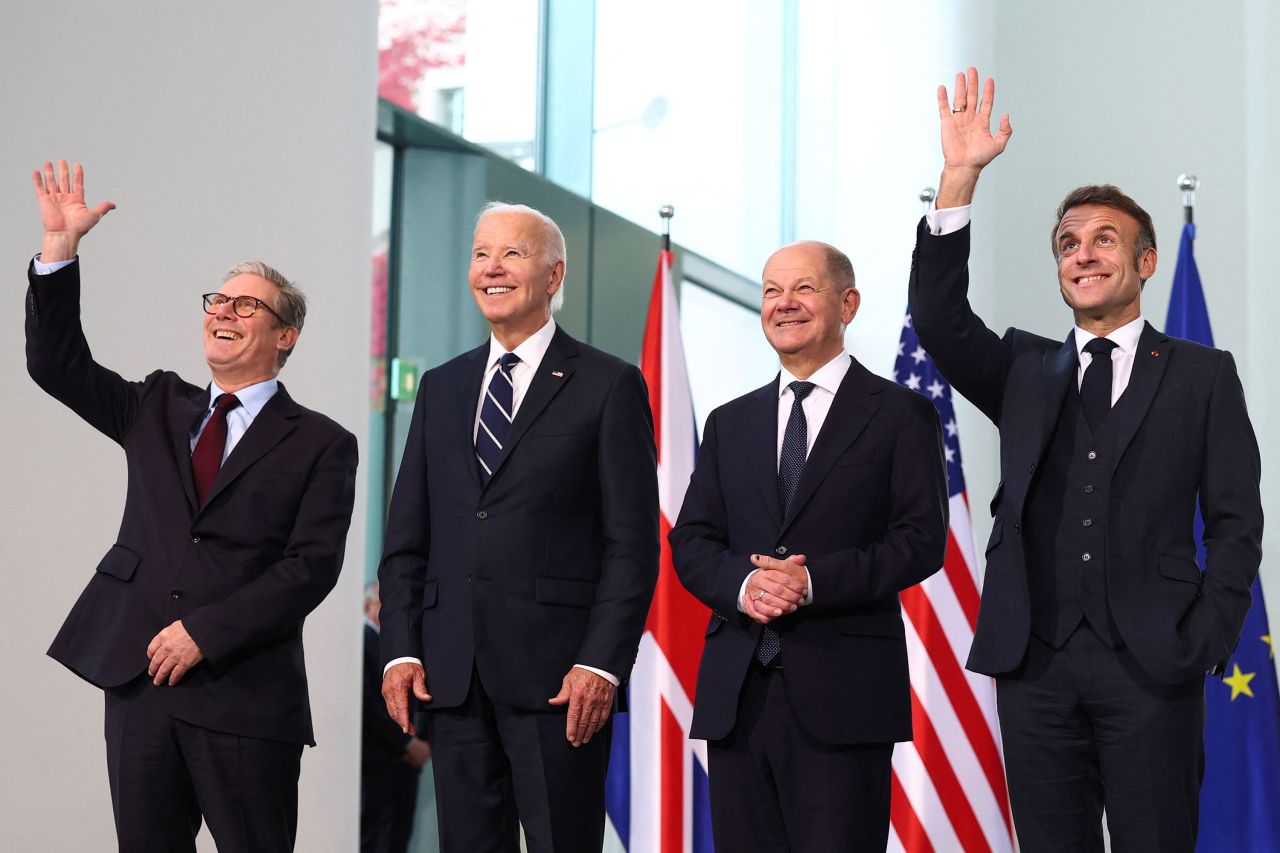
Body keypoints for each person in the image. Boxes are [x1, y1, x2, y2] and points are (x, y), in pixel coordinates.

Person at [909, 69, 1264, 852]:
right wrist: (959, 178)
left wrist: (1206, 634)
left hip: (1154, 664)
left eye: (1105, 238)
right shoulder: (1024, 370)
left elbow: (1238, 522)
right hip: (1034, 666)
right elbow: (936, 317)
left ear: (1145, 262)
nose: (1083, 253)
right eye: (1069, 243)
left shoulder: (1204, 375)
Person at [25, 161, 359, 852]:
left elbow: (310, 567)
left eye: (246, 305)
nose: (223, 312)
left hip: (245, 694)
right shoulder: (155, 404)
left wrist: (205, 631)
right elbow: (56, 365)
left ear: (285, 335)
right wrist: (60, 251)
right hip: (140, 683)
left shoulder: (323, 443)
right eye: (217, 300)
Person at [377, 201, 659, 853]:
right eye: (481, 254)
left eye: (512, 253)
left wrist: (601, 662)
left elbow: (632, 544)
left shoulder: (608, 385)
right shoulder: (442, 387)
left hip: (561, 682)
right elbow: (405, 541)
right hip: (453, 677)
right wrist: (401, 646)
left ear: (554, 274)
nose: (492, 268)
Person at [669, 240, 949, 852]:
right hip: (738, 696)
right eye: (772, 291)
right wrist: (745, 586)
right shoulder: (729, 422)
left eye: (803, 289)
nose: (784, 304)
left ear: (847, 303)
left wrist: (812, 581)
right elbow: (691, 539)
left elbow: (922, 541)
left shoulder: (902, 414)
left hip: (845, 696)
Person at [361, 581, 429, 853]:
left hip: (404, 763)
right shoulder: (364, 643)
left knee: (397, 837)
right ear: (368, 607)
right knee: (377, 837)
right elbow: (369, 706)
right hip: (379, 761)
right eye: (383, 605)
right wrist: (408, 744)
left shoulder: (402, 647)